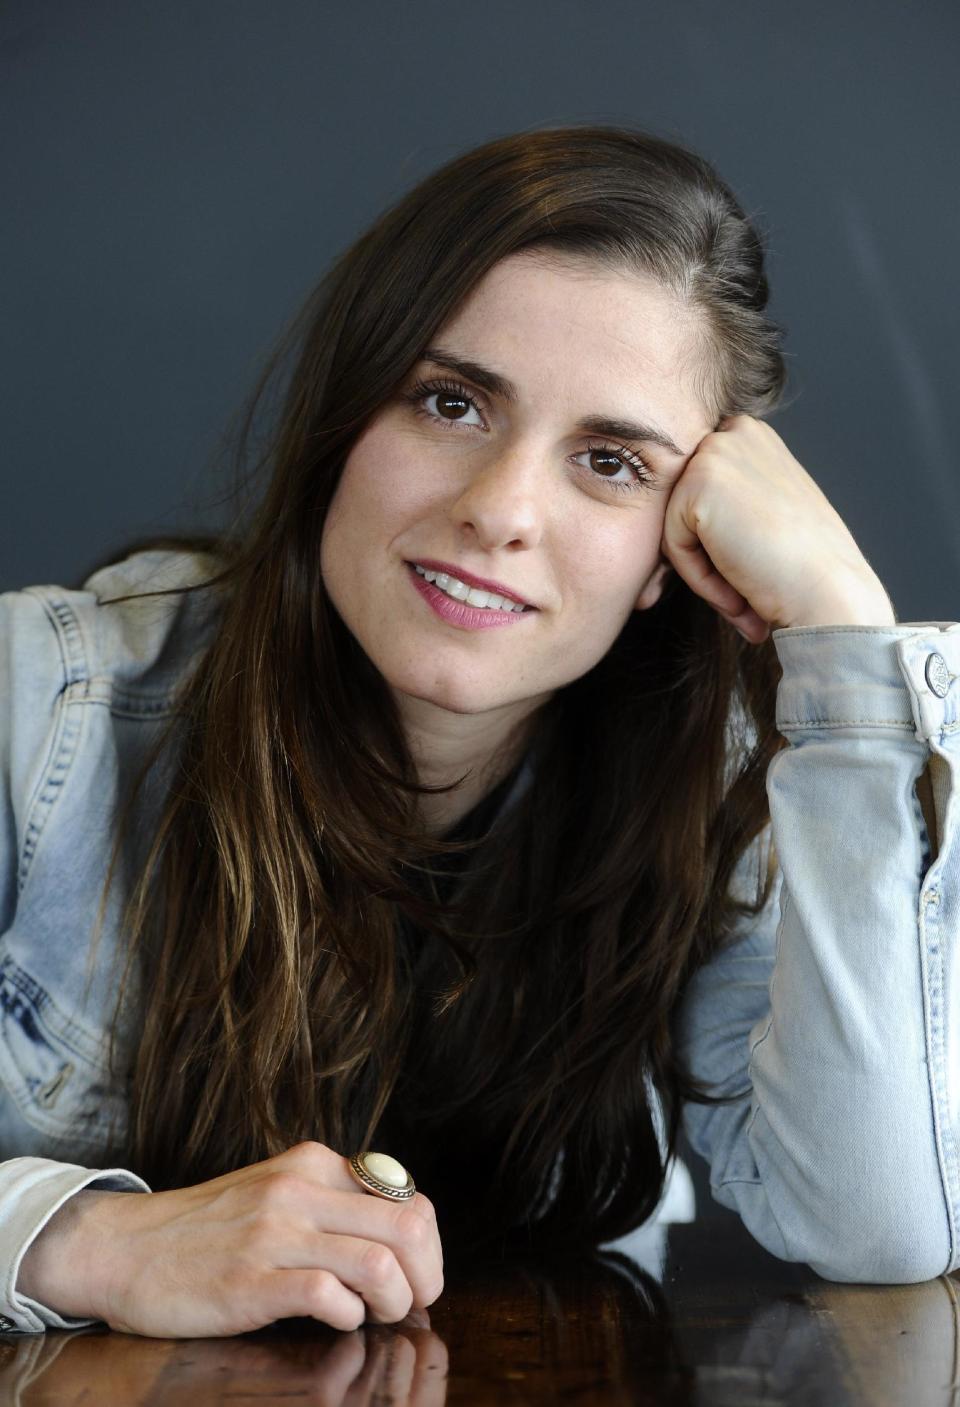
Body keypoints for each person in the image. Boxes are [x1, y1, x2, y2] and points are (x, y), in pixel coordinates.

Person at [0, 122, 956, 1340]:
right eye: (451, 402)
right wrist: (86, 1241)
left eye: (610, 462)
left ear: (679, 544)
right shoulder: (37, 709)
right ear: (349, 417)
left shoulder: (722, 798)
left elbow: (876, 1229)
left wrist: (843, 640)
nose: (500, 510)